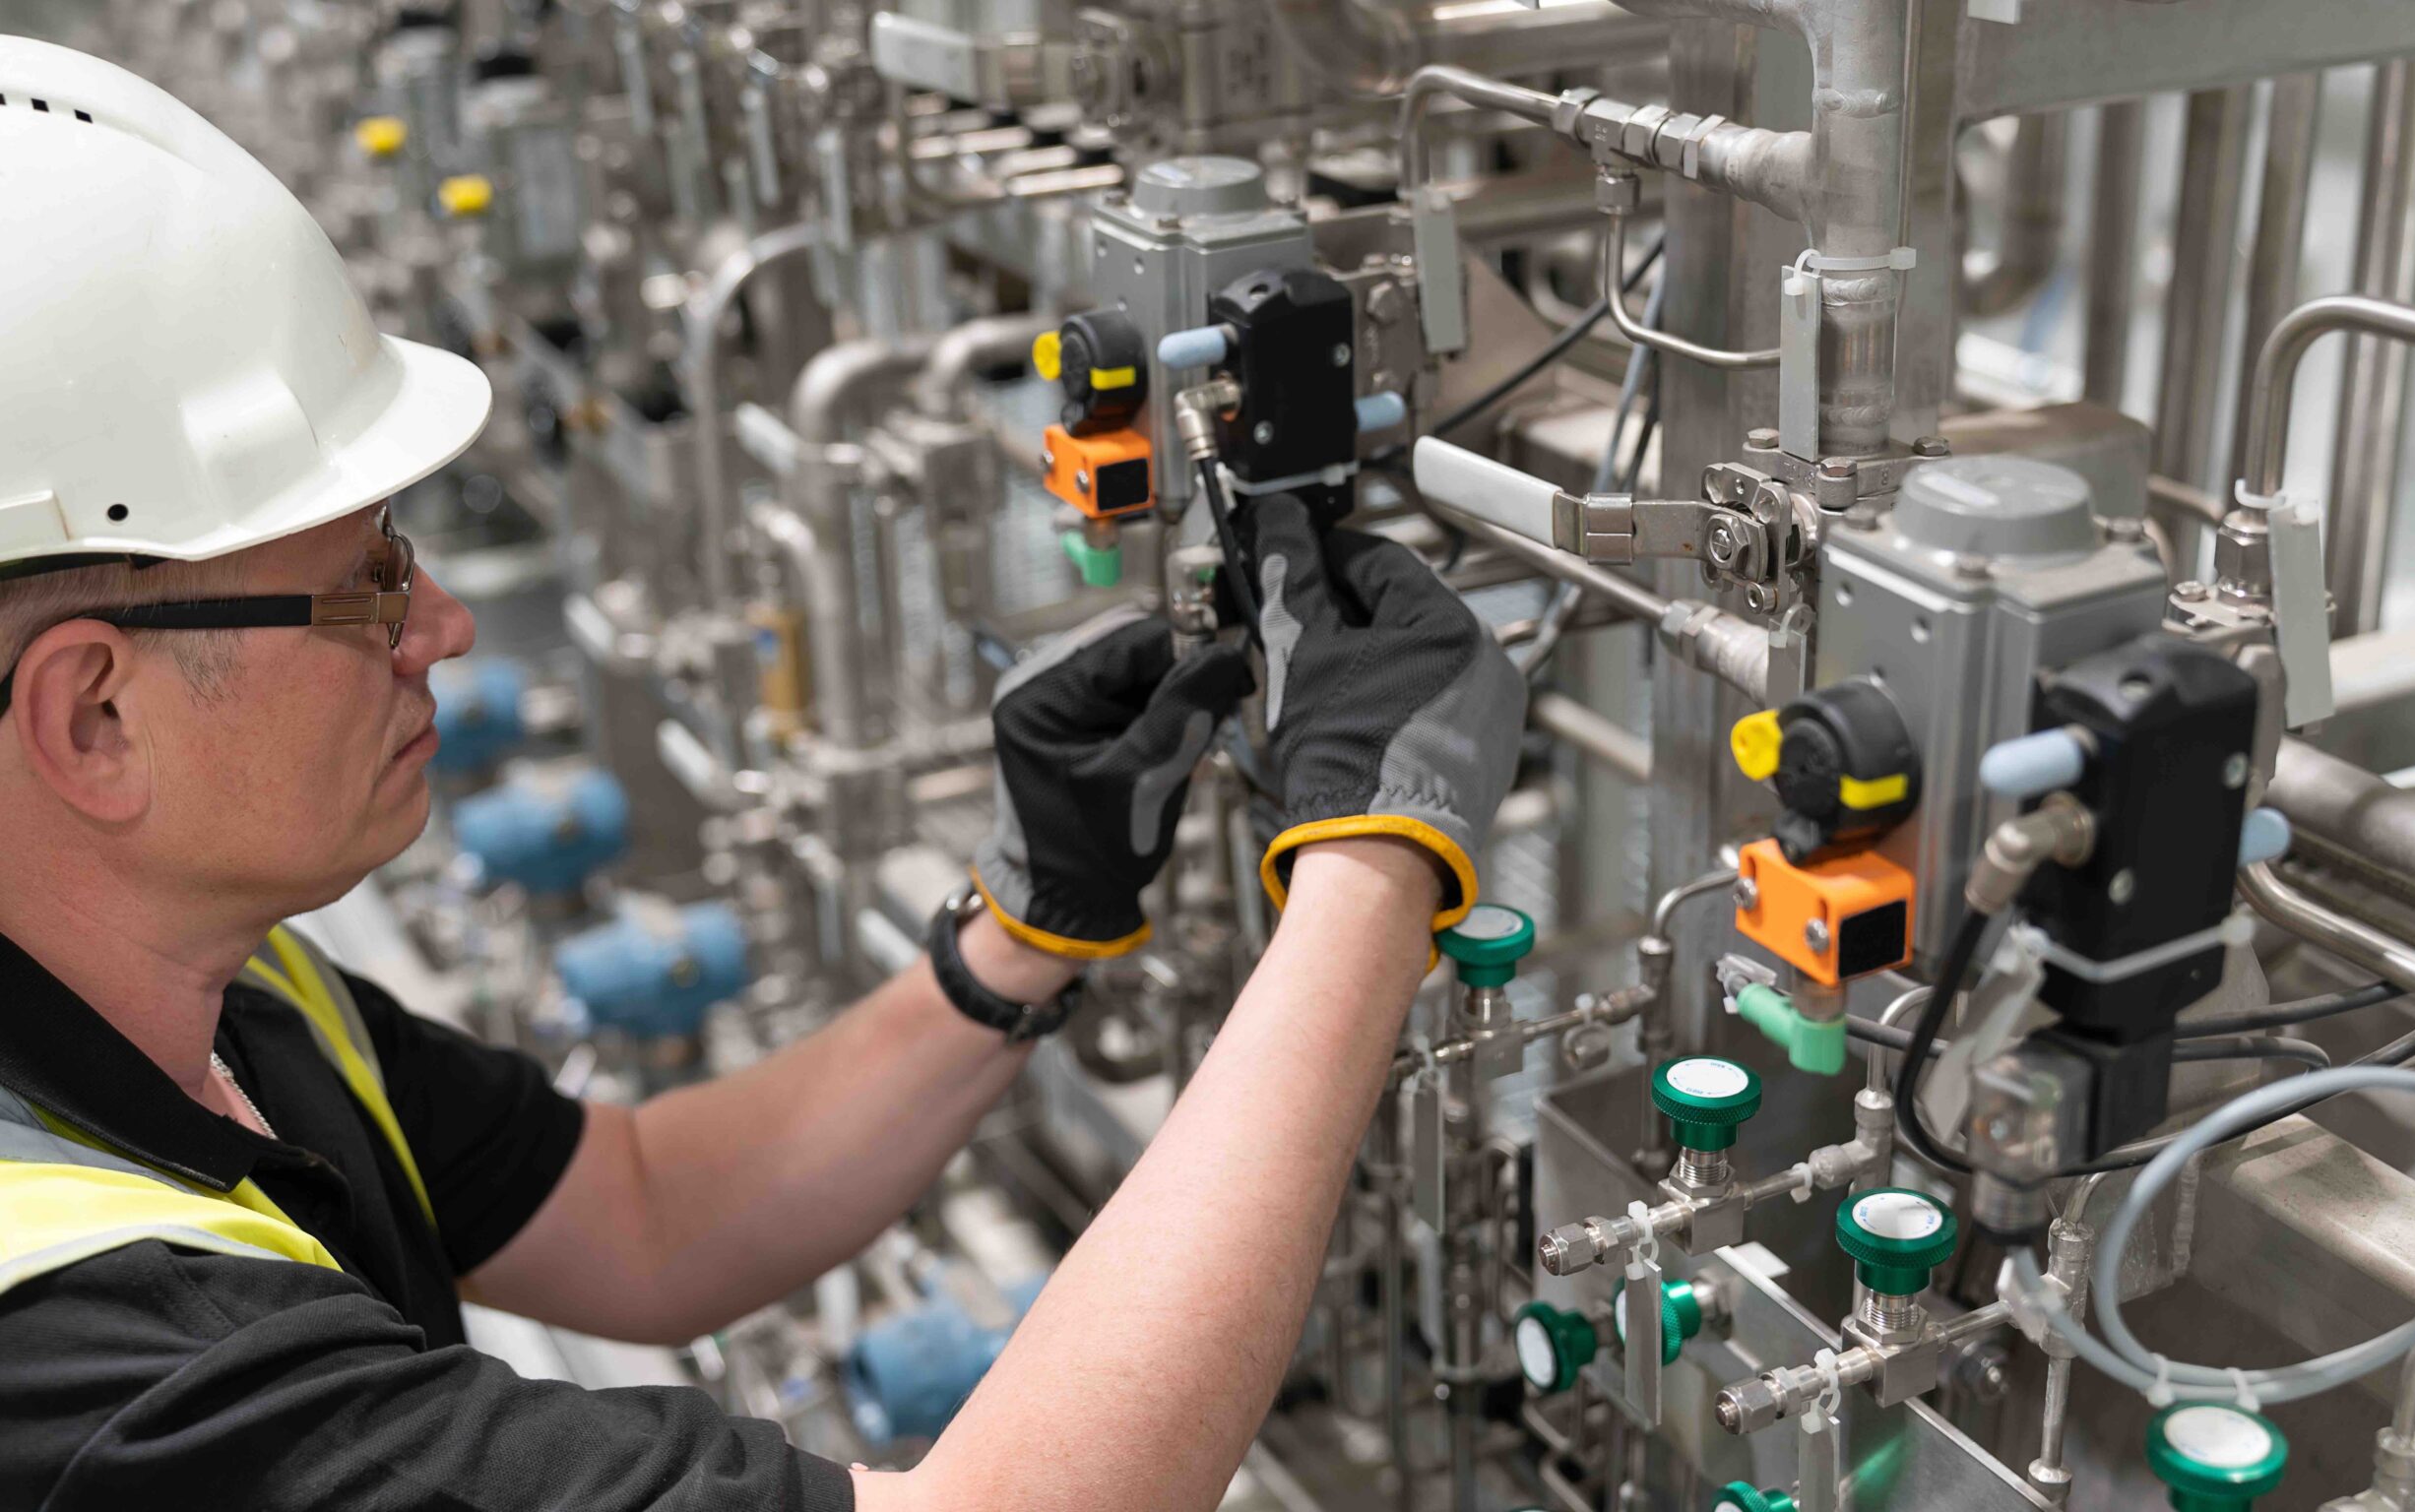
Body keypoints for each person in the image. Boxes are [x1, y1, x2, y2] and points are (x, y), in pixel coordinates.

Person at [0, 35, 1526, 1511]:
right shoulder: (107, 1374)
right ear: (93, 721)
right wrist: (1378, 865)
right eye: (372, 582)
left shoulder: (213, 991)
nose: (445, 628)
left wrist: (1026, 924)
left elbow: (644, 1216)